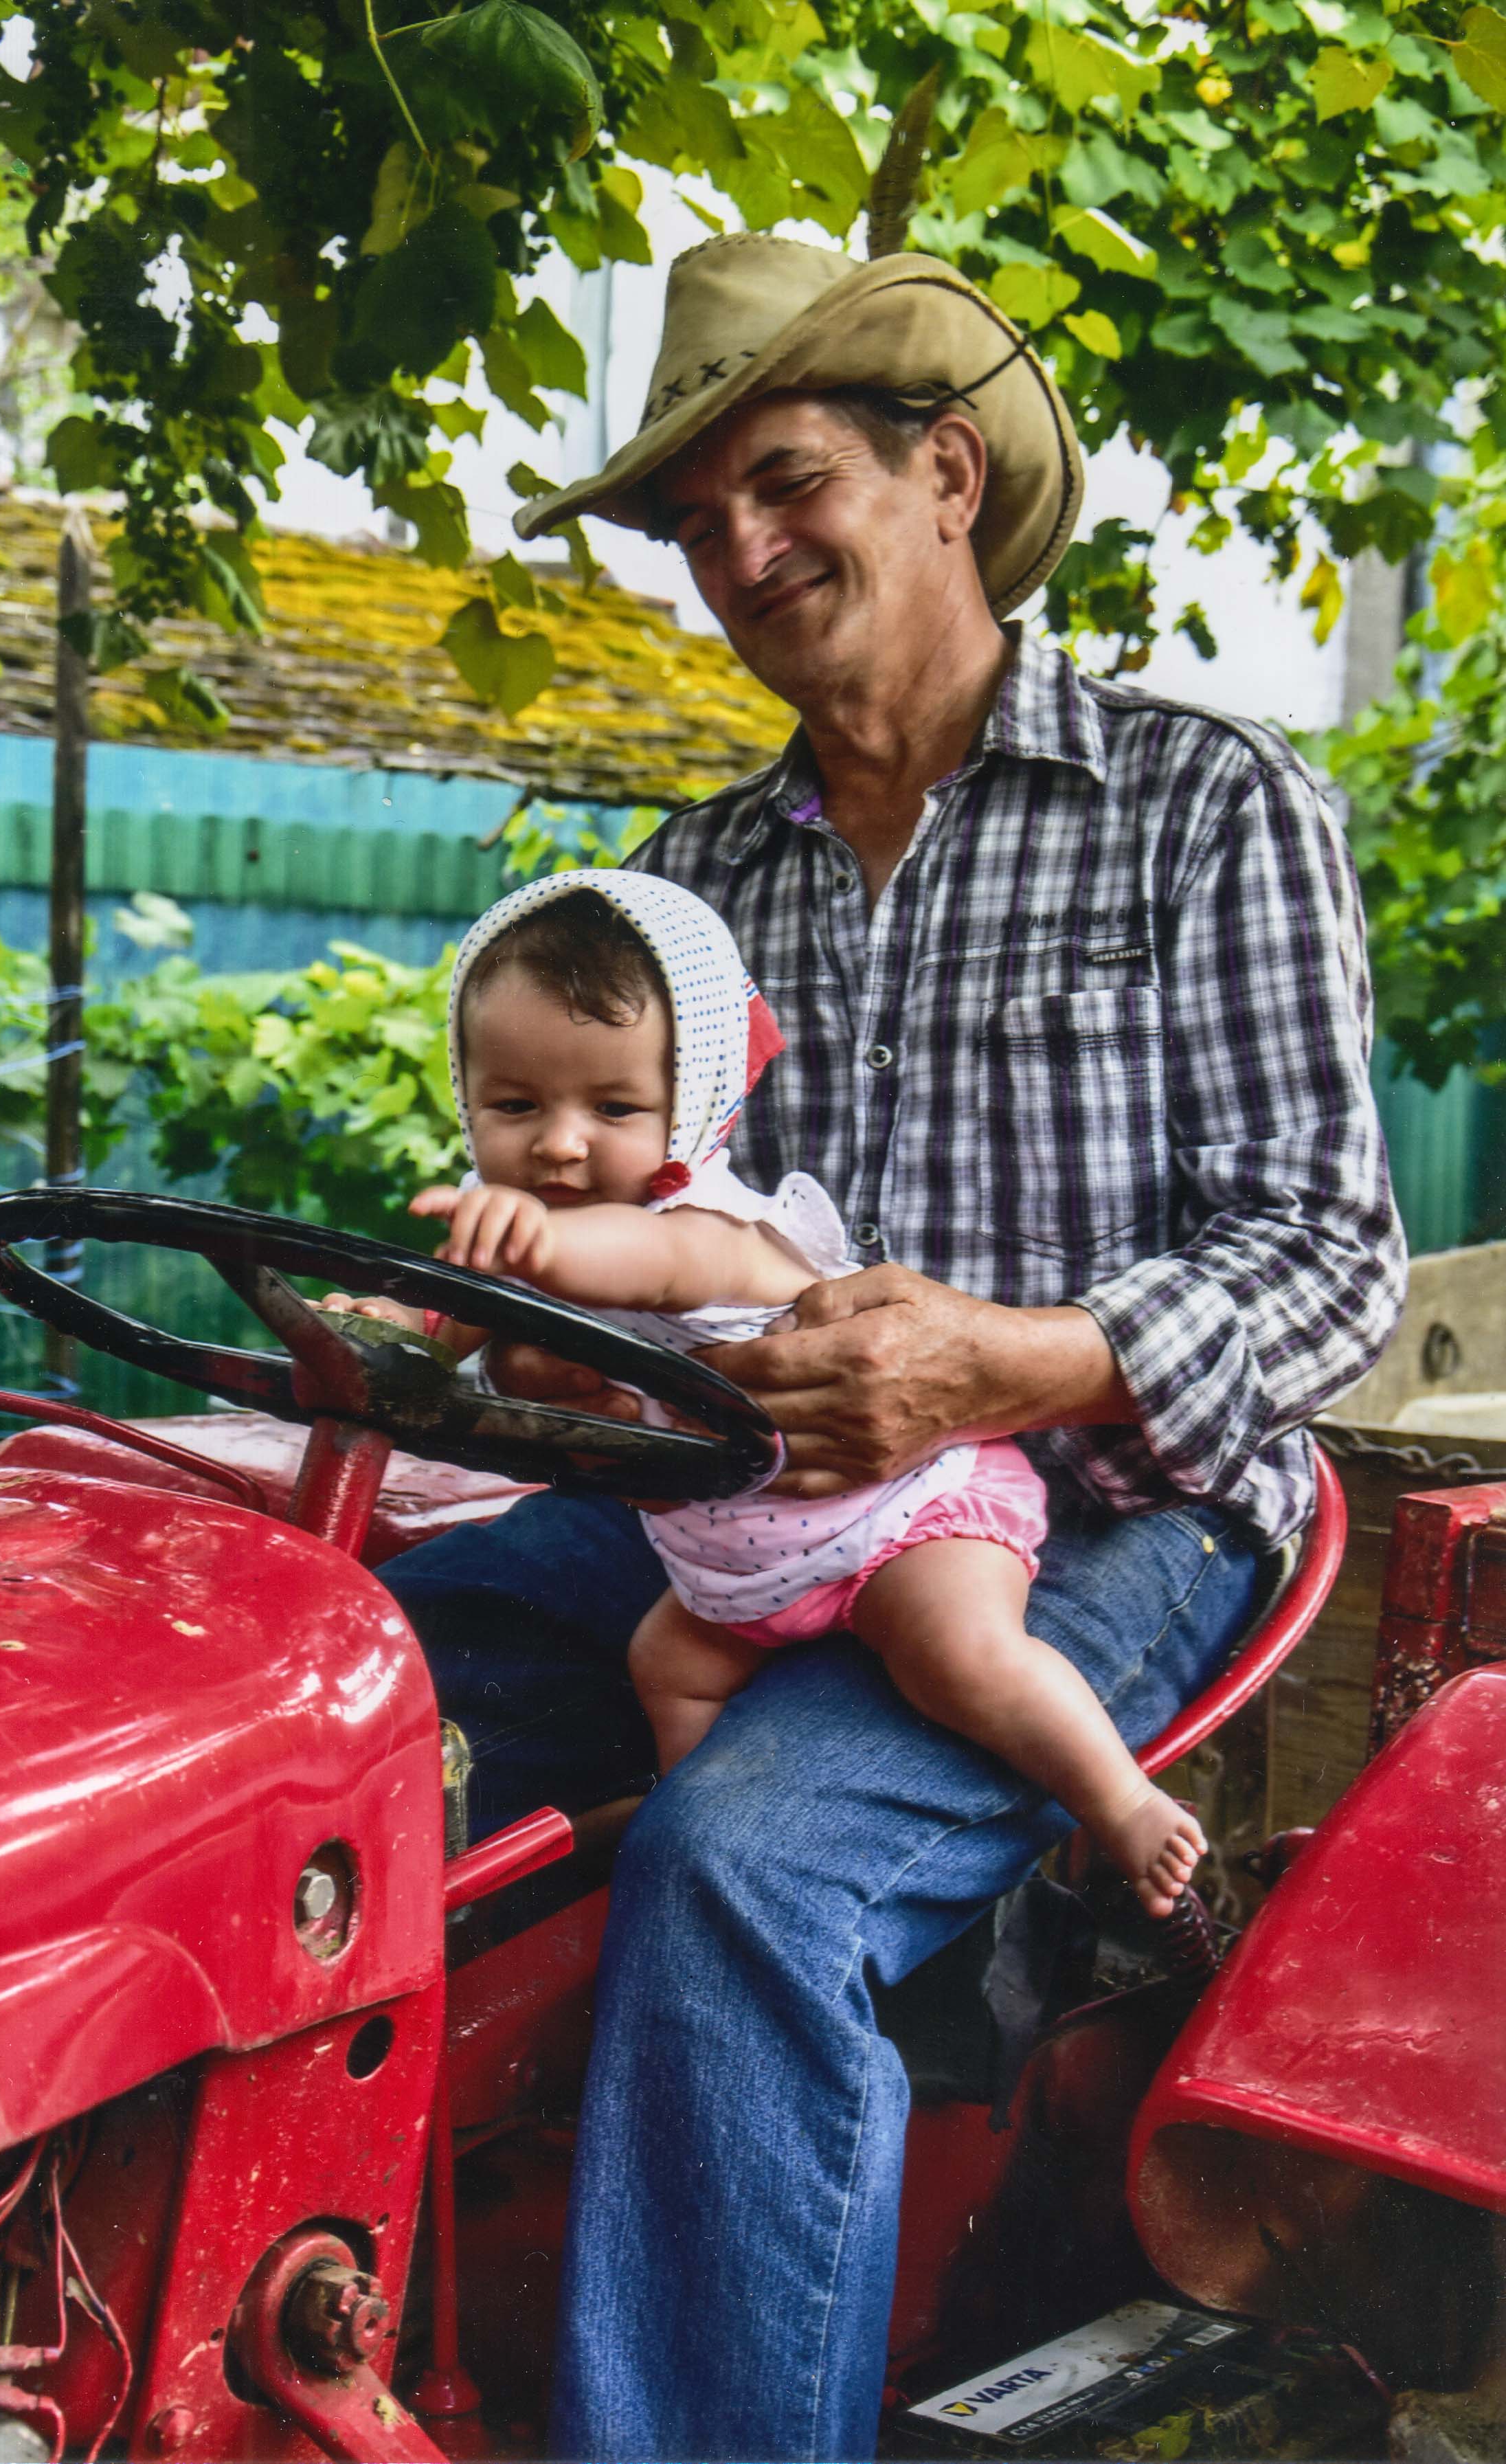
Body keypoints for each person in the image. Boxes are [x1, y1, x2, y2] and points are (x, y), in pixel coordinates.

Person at [379, 232, 1408, 2460]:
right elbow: (638, 1237)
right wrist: (531, 1347)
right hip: (730, 1505)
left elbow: (1332, 1258)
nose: (740, 551)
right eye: (697, 519)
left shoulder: (1205, 805)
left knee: (747, 1860)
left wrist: (1004, 1363)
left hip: (1096, 1515)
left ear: (947, 472)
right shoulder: (687, 890)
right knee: (330, 1680)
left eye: (787, 484)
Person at [363, 868, 1208, 1913]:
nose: (561, 1141)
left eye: (615, 1108)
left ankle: (1119, 1800)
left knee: (959, 1655)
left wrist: (532, 1244)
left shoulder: (707, 1230)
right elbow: (452, 1312)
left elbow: (639, 1264)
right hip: (739, 1556)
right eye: (514, 1105)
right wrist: (386, 1320)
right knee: (668, 1665)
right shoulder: (528, 1227)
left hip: (897, 1515)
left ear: (693, 1105)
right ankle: (669, 1806)